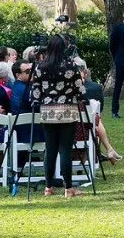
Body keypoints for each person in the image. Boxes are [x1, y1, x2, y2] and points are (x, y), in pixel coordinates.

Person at [31, 35, 87, 198]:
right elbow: (79, 87)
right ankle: (68, 187)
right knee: (65, 149)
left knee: (50, 149)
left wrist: (37, 101)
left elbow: (35, 89)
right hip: (67, 110)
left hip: (48, 111)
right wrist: (82, 98)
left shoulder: (41, 65)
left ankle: (48, 187)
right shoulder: (70, 65)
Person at [74, 58, 122, 164]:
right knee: (96, 119)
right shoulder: (95, 88)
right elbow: (100, 111)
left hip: (62, 133)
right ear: (85, 72)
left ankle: (107, 150)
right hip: (84, 132)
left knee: (94, 119)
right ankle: (107, 150)